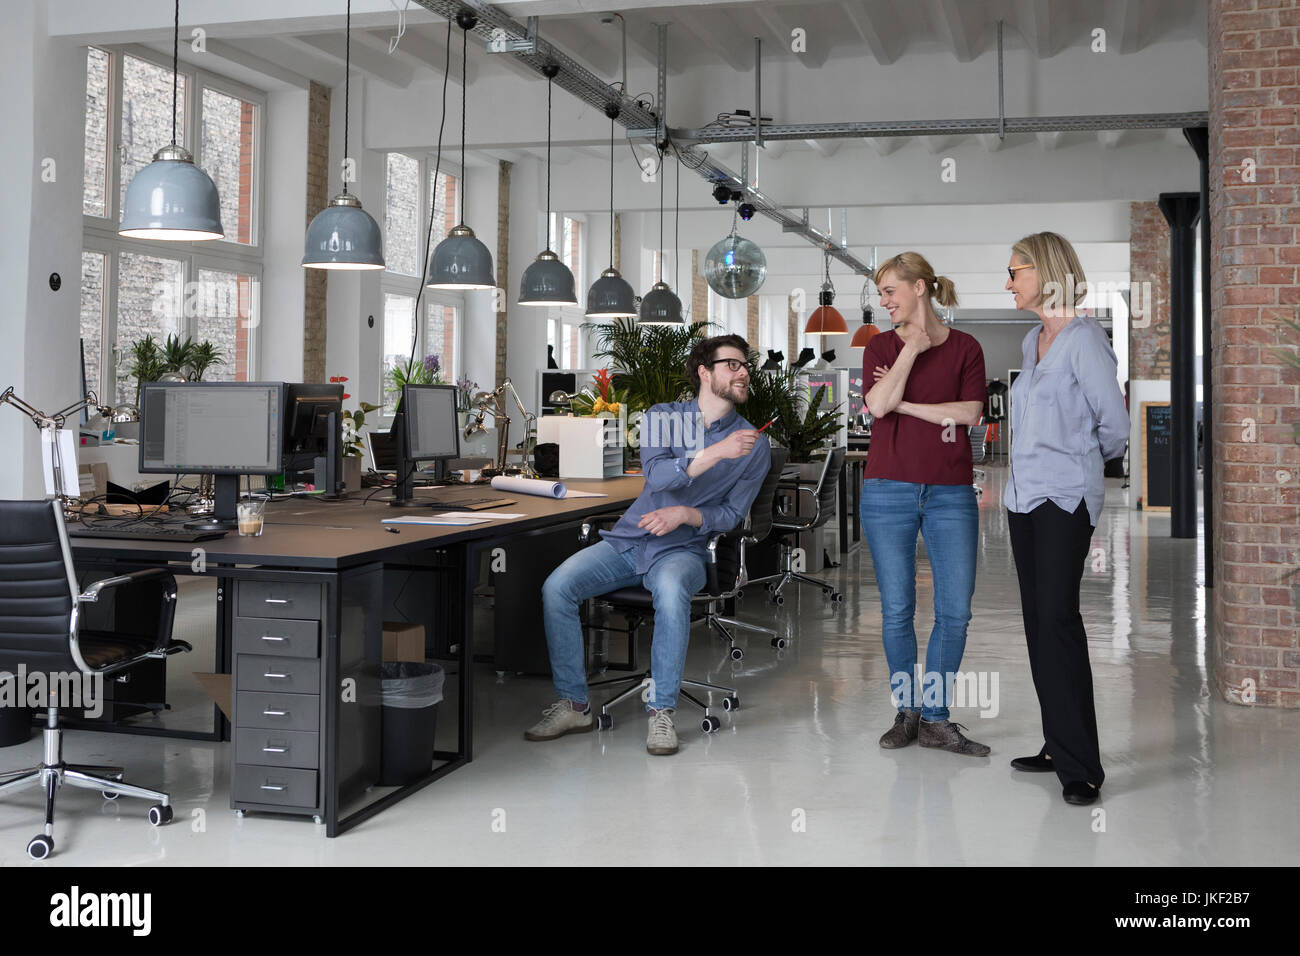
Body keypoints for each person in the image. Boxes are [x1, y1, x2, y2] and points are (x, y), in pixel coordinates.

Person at [525, 334, 772, 756]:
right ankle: (575, 704)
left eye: (745, 364)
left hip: (686, 550)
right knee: (557, 588)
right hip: (630, 539)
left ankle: (662, 712)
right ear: (704, 372)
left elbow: (732, 515)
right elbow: (657, 478)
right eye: (732, 364)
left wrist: (686, 515)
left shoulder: (754, 444)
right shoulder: (662, 417)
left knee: (672, 593)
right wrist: (714, 454)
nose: (743, 371)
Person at [1003, 231, 1129, 806]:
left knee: (1058, 619)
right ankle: (1057, 743)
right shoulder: (1033, 341)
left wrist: (1073, 459)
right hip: (1022, 500)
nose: (1009, 282)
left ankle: (1081, 767)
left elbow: (1116, 430)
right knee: (1037, 624)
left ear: (1046, 271)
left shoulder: (1085, 340)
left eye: (1016, 271)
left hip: (1065, 500)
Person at [861, 252, 990, 756]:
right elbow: (874, 406)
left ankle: (936, 719)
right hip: (887, 489)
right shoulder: (880, 347)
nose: (885, 302)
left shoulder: (966, 348)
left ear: (920, 288)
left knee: (954, 610)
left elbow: (970, 413)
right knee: (897, 610)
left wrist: (904, 403)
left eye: (891, 291)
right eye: (881, 295)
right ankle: (908, 711)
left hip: (950, 493)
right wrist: (910, 349)